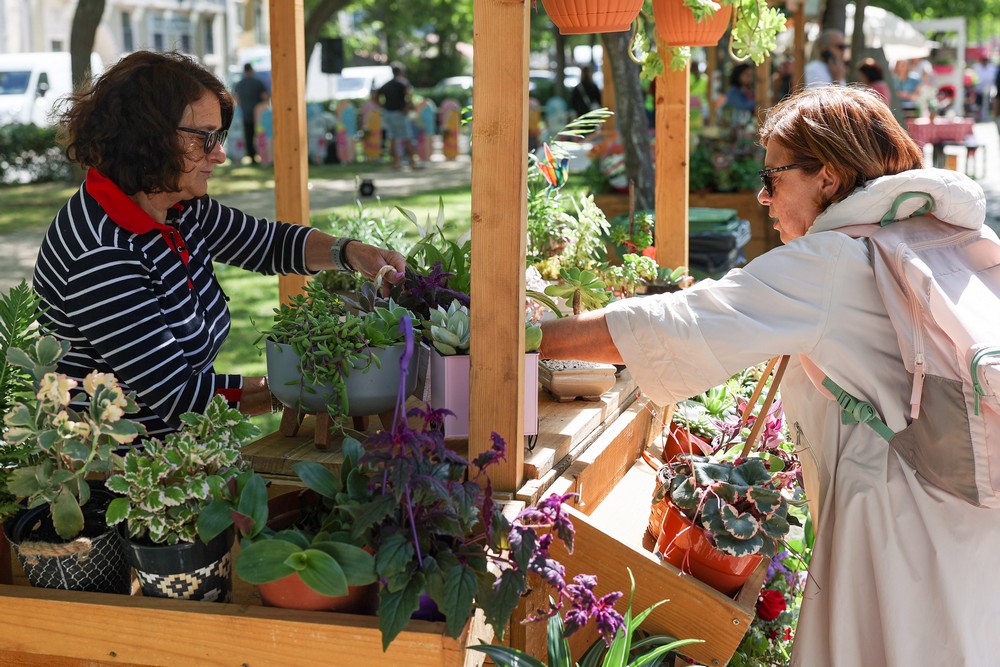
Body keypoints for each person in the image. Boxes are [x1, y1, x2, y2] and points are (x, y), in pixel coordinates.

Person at [539, 86, 1000, 665]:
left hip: (901, 534)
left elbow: (679, 324)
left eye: (773, 175)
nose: (762, 196)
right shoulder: (934, 233)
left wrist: (527, 338)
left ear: (827, 177)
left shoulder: (832, 262)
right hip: (968, 517)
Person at [33, 51, 406, 440]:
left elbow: (267, 244)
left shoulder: (174, 204)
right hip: (122, 477)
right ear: (149, 137)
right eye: (205, 138)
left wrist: (350, 253)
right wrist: (313, 382)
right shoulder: (101, 254)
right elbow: (182, 400)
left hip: (185, 454)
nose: (221, 155)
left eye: (220, 137)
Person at [378, 62, 421, 170]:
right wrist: (408, 107)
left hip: (388, 114)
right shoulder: (403, 82)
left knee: (393, 138)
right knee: (407, 138)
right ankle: (412, 163)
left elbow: (375, 95)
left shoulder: (387, 84)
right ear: (401, 72)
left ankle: (396, 163)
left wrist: (382, 106)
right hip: (400, 114)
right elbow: (409, 94)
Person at [232, 63, 267, 164]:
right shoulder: (258, 83)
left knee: (248, 135)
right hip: (258, 115)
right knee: (260, 136)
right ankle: (262, 156)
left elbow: (236, 99)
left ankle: (251, 156)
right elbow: (265, 97)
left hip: (245, 114)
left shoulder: (239, 84)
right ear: (251, 70)